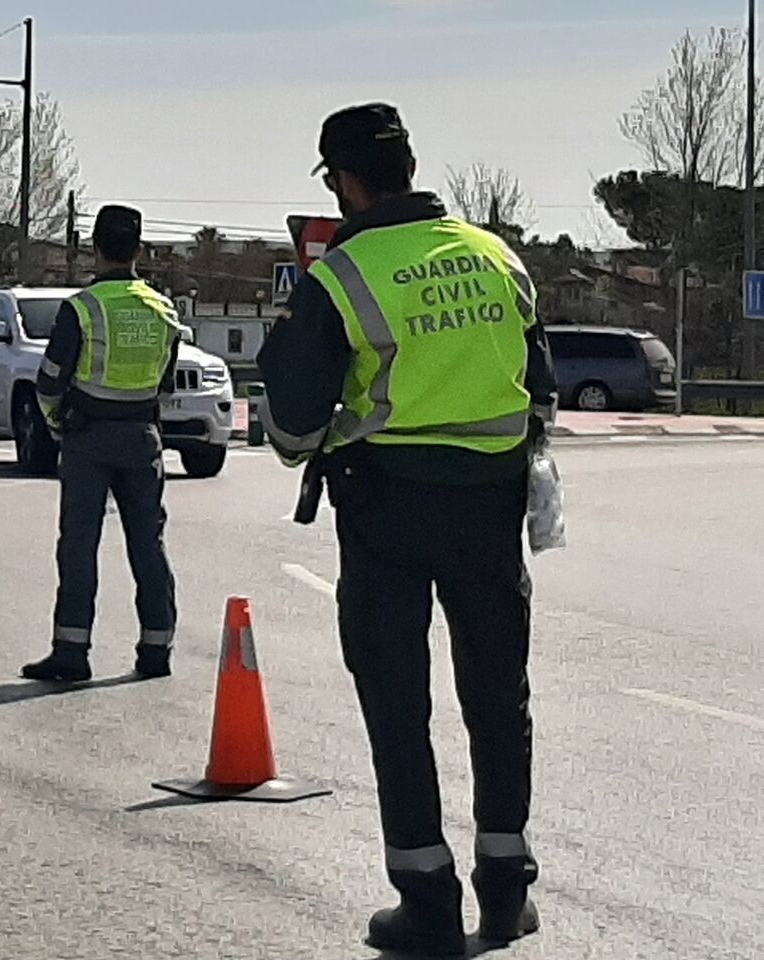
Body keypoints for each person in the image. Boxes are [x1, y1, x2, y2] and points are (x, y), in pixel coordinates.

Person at [257, 103, 556, 957]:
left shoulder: (343, 276)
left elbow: (293, 428)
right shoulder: (497, 256)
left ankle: (426, 900)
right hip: (490, 505)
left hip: (386, 504)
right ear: (412, 169)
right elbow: (539, 384)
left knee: (397, 701)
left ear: (345, 183)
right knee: (498, 694)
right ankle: (506, 889)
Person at [22, 206, 180, 683]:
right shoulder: (163, 308)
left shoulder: (82, 308)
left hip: (88, 437)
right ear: (139, 250)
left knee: (79, 546)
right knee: (148, 545)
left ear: (95, 249)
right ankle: (156, 648)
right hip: (143, 437)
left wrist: (57, 426)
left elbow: (49, 381)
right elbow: (166, 382)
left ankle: (72, 652)